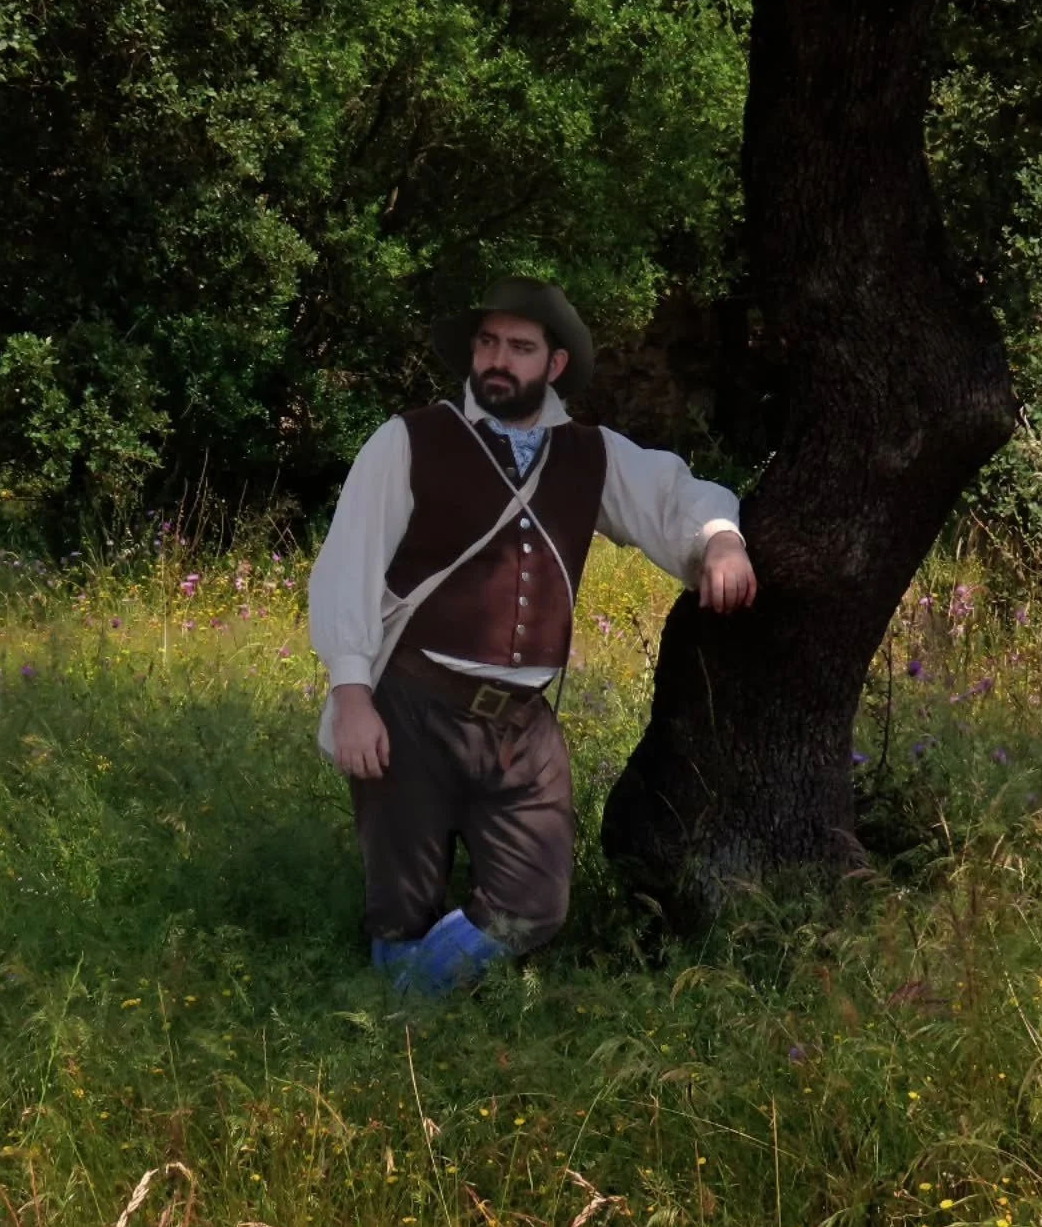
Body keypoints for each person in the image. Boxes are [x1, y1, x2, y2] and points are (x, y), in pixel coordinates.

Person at [309, 277, 756, 993]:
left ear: (553, 366)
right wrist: (352, 693)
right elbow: (348, 566)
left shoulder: (590, 454)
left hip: (523, 726)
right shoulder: (409, 441)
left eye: (520, 348)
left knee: (535, 905)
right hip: (412, 704)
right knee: (403, 905)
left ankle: (397, 1009)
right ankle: (398, 1045)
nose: (498, 359)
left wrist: (721, 543)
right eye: (488, 343)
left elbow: (676, 498)